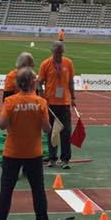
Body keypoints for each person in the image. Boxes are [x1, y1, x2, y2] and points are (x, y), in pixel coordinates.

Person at [0, 68, 52, 220]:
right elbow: (47, 129)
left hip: (12, 152)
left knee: (6, 190)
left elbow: (1, 125)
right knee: (38, 190)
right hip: (34, 152)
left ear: (18, 83)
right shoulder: (41, 102)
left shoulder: (10, 101)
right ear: (33, 83)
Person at [38, 41, 76, 169]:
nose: (59, 55)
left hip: (64, 102)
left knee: (66, 132)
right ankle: (52, 158)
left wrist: (73, 97)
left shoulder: (68, 63)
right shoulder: (45, 64)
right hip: (50, 103)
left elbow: (71, 82)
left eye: (61, 52)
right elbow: (39, 82)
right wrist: (41, 94)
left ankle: (65, 159)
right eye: (57, 52)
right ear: (52, 51)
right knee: (52, 132)